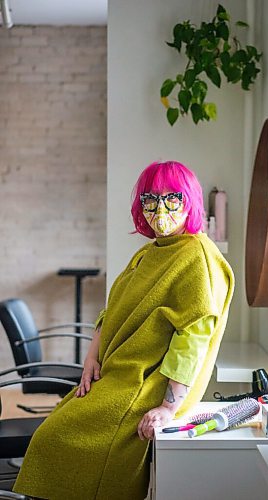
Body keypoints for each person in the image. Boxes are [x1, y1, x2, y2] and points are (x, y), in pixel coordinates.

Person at [13, 160, 234, 500]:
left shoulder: (197, 257)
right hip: (114, 372)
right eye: (150, 199)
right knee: (54, 429)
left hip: (142, 385)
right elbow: (112, 307)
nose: (160, 209)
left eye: (172, 198)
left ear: (189, 201)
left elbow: (193, 339)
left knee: (54, 438)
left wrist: (167, 408)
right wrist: (92, 355)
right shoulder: (149, 253)